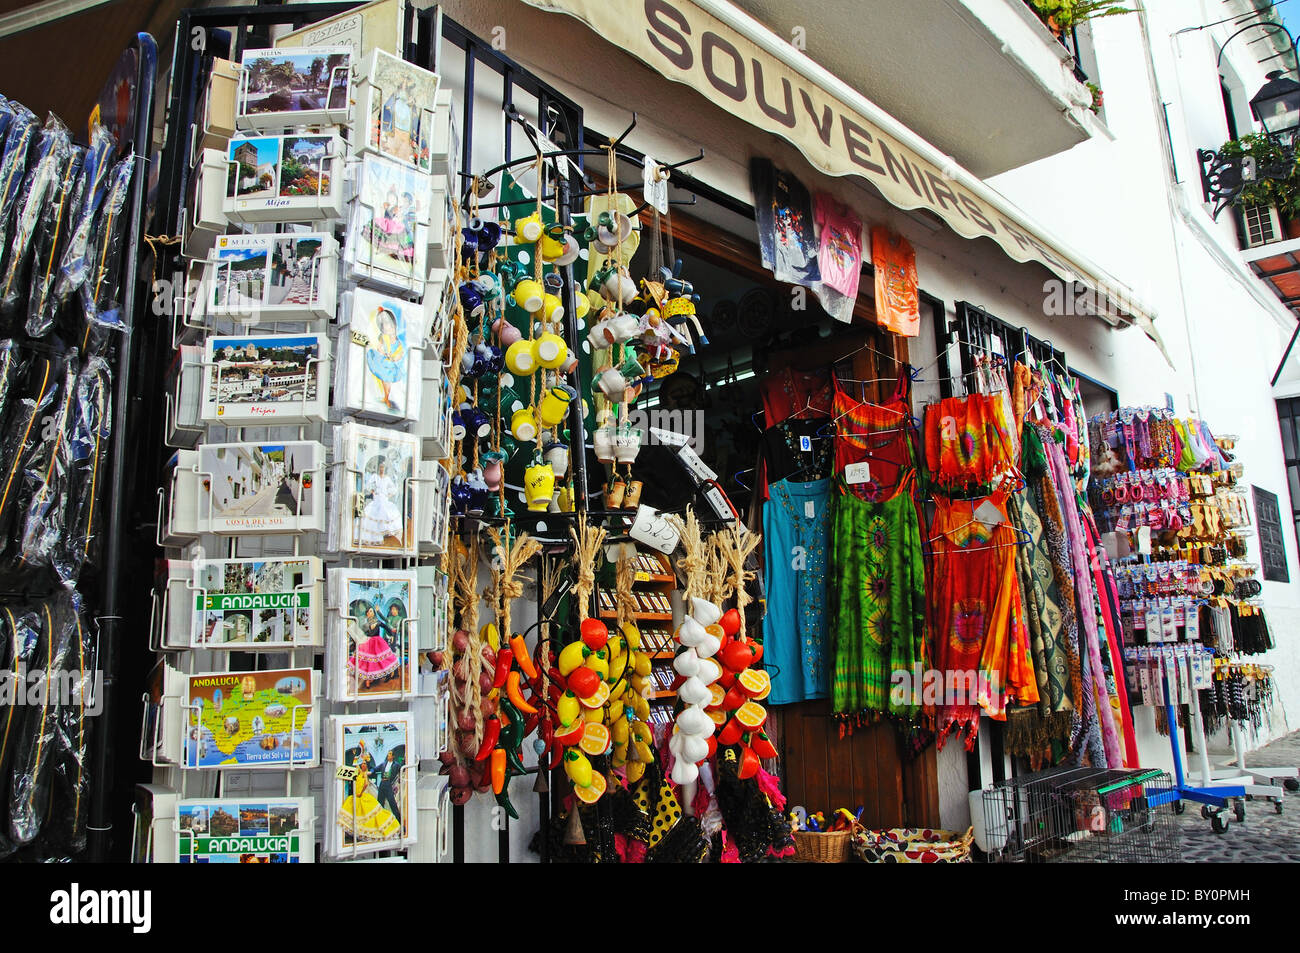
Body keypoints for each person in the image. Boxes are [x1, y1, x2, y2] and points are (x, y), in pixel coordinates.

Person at [336, 753, 401, 846]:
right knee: (356, 813)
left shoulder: (395, 765)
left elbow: (366, 783)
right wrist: (356, 755)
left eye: (364, 764)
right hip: (361, 794)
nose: (363, 765)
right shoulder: (361, 771)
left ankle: (393, 824)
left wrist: (361, 791)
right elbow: (357, 766)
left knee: (384, 807)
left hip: (371, 791)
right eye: (362, 764)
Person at [346, 604, 400, 690]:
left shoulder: (378, 621)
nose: (369, 613)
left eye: (371, 611)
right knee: (368, 661)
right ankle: (368, 680)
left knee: (380, 659)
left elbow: (387, 627)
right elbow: (361, 632)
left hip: (378, 642)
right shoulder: (365, 624)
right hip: (368, 642)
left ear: (373, 613)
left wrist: (392, 634)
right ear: (367, 614)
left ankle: (384, 675)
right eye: (368, 611)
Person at [363, 304, 406, 412]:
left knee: (387, 381)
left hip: (391, 365)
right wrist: (382, 351)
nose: (388, 328)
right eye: (384, 326)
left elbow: (400, 353)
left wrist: (395, 358)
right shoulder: (383, 337)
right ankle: (385, 397)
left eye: (390, 325)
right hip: (383, 362)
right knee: (383, 380)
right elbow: (379, 346)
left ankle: (387, 397)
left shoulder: (398, 342)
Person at [358, 457, 403, 548]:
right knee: (372, 515)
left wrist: (388, 495)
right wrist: (372, 491)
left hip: (384, 497)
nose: (382, 469)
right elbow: (368, 485)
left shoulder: (387, 478)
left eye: (383, 468)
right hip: (377, 497)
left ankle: (386, 532)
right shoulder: (375, 476)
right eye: (380, 467)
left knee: (386, 513)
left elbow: (394, 489)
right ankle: (374, 536)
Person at [372, 749, 403, 824]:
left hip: (389, 784)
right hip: (382, 783)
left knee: (392, 803)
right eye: (388, 754)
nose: (388, 755)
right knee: (380, 802)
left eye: (389, 754)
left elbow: (401, 771)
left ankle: (399, 822)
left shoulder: (396, 765)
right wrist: (370, 771)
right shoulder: (383, 764)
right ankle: (380, 822)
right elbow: (375, 769)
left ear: (393, 756)